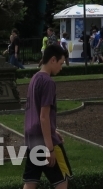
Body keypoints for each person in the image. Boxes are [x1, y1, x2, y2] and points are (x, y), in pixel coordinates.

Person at [23, 44, 71, 189]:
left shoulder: (35, 78)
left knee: (30, 182)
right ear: (53, 60)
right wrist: (50, 149)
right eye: (61, 63)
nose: (61, 68)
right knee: (62, 182)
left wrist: (53, 129)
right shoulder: (48, 82)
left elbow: (36, 112)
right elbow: (44, 116)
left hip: (32, 140)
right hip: (45, 142)